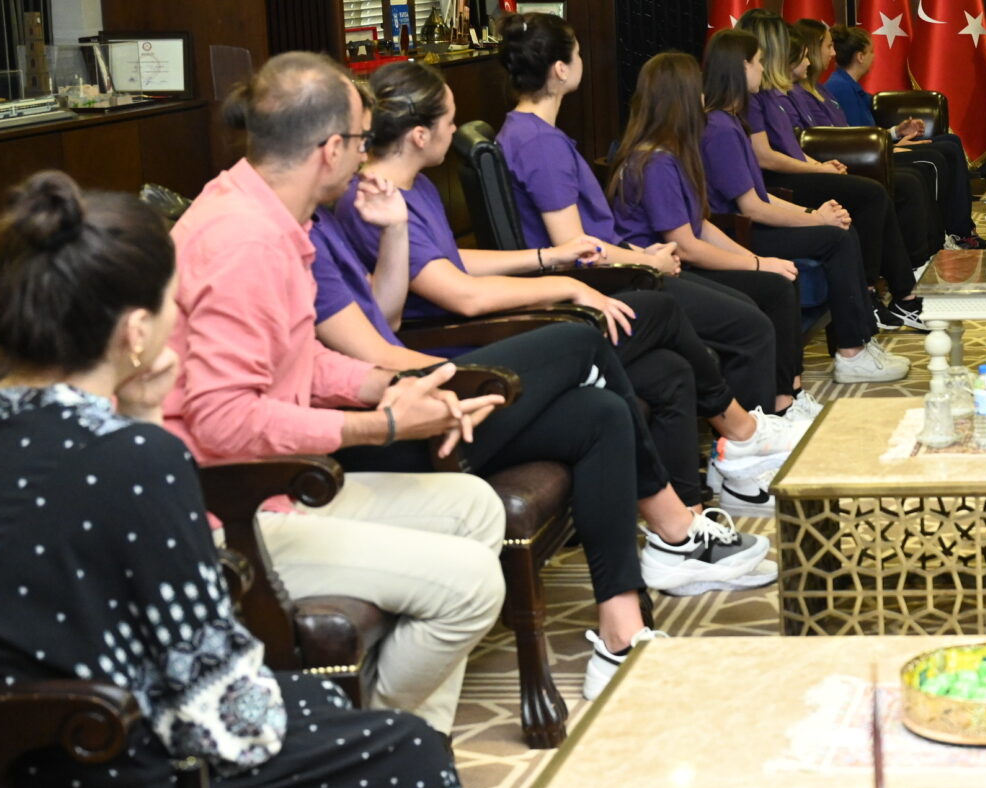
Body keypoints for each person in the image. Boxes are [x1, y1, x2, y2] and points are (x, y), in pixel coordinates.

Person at [0, 172, 467, 788]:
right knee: (410, 751)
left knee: (317, 701)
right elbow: (231, 723)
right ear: (137, 332)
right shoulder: (135, 459)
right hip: (73, 767)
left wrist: (145, 412)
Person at [162, 53, 506, 736]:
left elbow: (302, 358)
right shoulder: (244, 242)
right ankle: (372, 743)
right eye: (360, 140)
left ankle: (409, 746)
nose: (364, 156)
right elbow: (224, 419)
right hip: (228, 510)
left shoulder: (269, 215)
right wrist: (381, 427)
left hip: (276, 485)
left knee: (475, 507)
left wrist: (394, 386)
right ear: (329, 150)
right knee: (472, 584)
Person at [341, 60, 797, 524]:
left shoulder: (414, 186)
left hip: (481, 328)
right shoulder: (374, 200)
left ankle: (688, 516)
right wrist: (566, 283)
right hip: (471, 344)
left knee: (669, 371)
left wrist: (547, 257)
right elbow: (463, 295)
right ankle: (741, 431)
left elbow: (450, 259)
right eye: (449, 120)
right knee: (660, 309)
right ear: (420, 135)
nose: (455, 130)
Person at [492, 15, 812, 443]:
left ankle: (746, 438)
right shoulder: (540, 143)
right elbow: (574, 247)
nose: (584, 59)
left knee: (699, 349)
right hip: (604, 283)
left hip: (614, 270)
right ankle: (748, 443)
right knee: (749, 325)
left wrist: (642, 256)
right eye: (579, 52)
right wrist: (646, 260)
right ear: (561, 69)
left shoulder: (526, 133)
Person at [696, 33, 910, 384]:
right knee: (836, 238)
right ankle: (852, 353)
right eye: (759, 61)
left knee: (840, 230)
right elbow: (753, 208)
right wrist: (816, 219)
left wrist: (814, 215)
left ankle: (858, 343)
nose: (764, 68)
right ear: (742, 67)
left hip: (749, 224)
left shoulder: (731, 120)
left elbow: (762, 195)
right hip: (737, 235)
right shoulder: (719, 127)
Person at [731, 8, 925, 329]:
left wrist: (820, 165)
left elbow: (793, 147)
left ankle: (903, 295)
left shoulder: (771, 91)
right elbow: (765, 157)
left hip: (797, 172)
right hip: (780, 182)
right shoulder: (755, 96)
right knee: (871, 194)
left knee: (874, 192)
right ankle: (875, 295)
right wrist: (818, 171)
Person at [817, 22, 984, 250]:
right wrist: (892, 146)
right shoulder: (840, 89)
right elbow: (857, 138)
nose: (874, 57)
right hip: (870, 156)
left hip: (878, 148)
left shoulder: (849, 85)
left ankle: (962, 228)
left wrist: (898, 131)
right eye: (871, 51)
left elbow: (869, 129)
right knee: (941, 154)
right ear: (860, 56)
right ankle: (955, 231)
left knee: (951, 141)